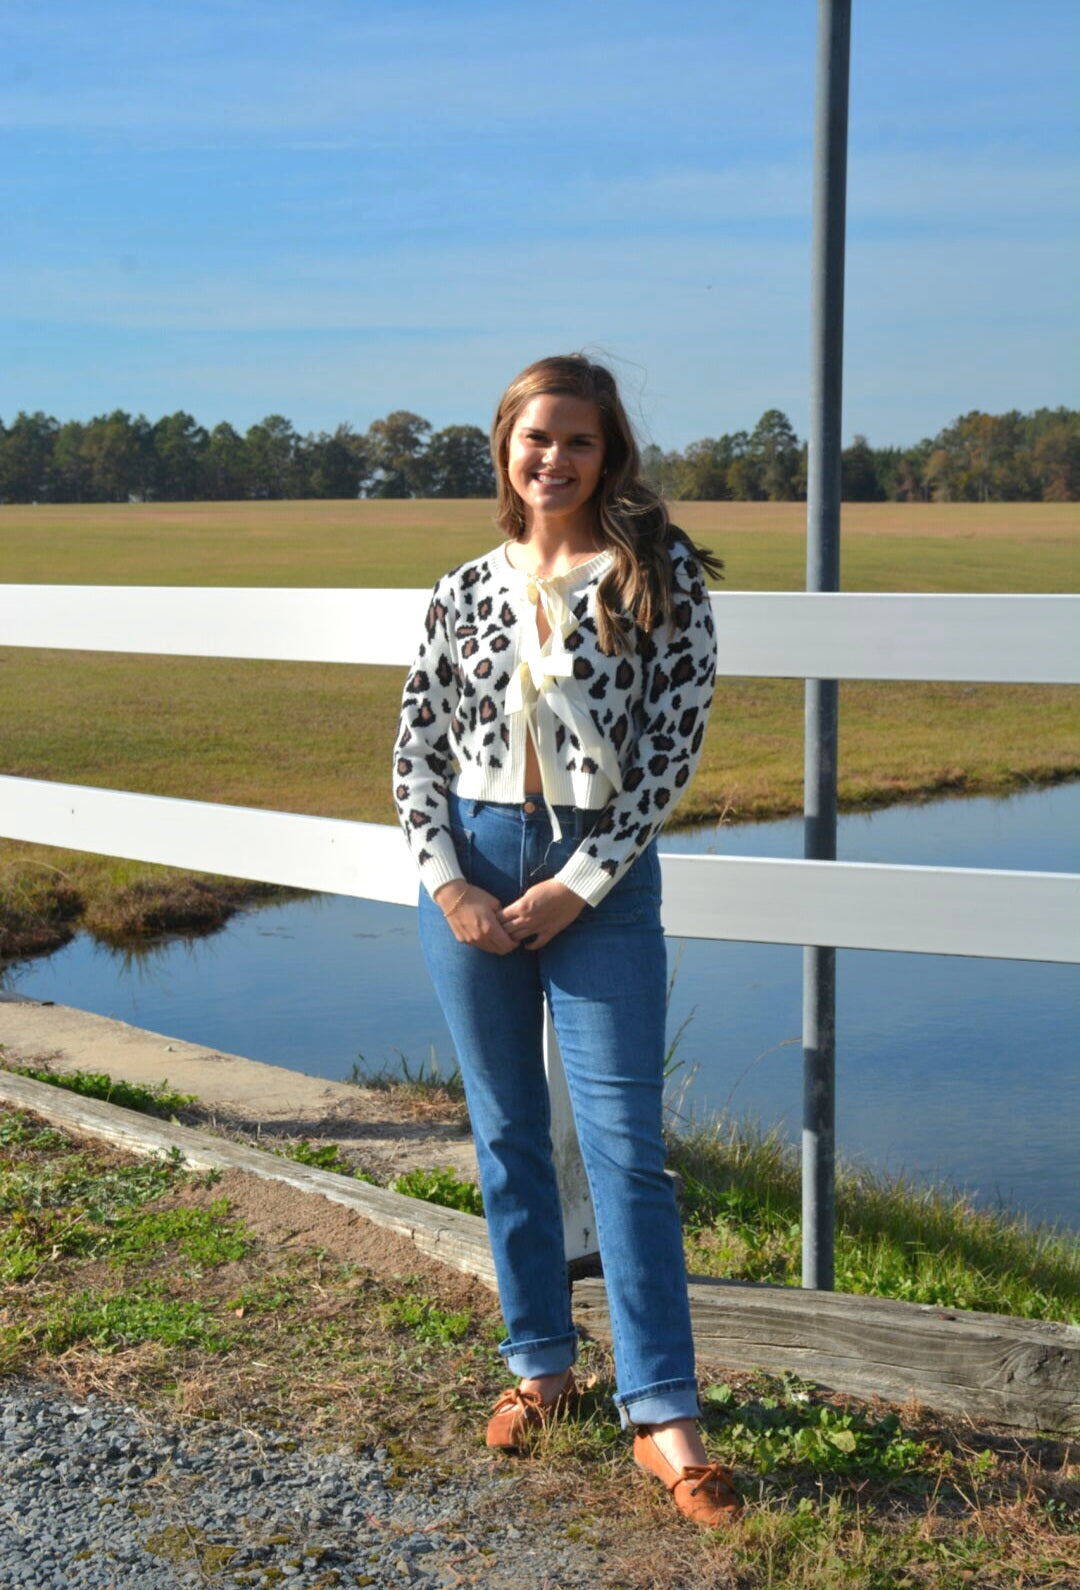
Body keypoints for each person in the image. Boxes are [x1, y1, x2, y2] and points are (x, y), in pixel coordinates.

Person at [392, 353, 739, 1526]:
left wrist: (577, 888)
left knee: (627, 1150)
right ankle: (540, 1369)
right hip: (476, 867)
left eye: (577, 442)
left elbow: (669, 759)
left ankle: (665, 1414)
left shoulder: (655, 579)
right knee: (505, 1139)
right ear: (504, 447)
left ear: (609, 454)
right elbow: (415, 761)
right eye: (535, 438)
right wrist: (454, 891)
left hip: (603, 873)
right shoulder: (459, 590)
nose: (554, 459)